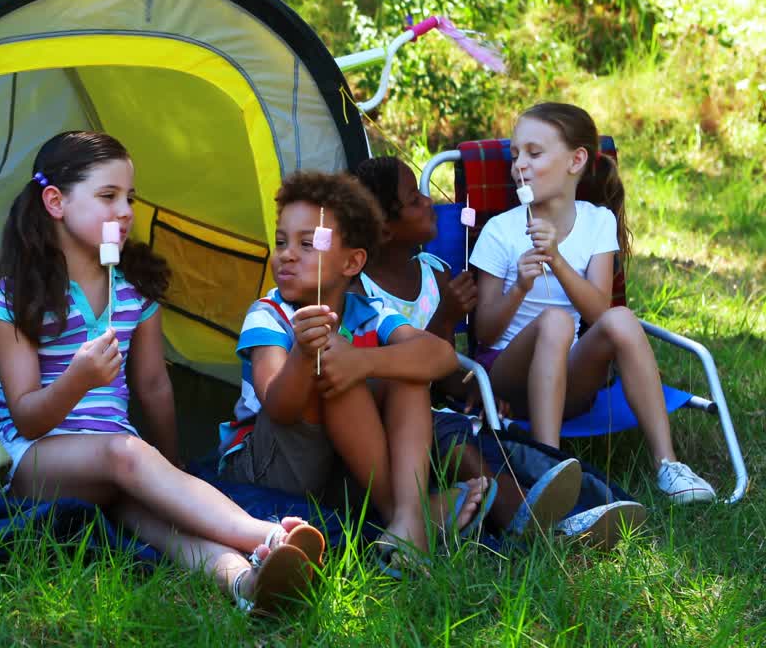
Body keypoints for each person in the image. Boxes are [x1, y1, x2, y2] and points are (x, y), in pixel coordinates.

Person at [0, 131, 323, 614]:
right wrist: (78, 379)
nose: (125, 211)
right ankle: (269, 534)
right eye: (108, 196)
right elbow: (24, 418)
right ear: (55, 201)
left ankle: (248, 583)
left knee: (161, 519)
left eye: (130, 198)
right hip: (34, 461)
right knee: (123, 455)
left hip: (116, 459)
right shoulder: (15, 294)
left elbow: (152, 386)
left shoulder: (133, 291)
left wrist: (171, 470)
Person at [352, 155, 646, 546]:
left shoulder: (434, 271)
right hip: (398, 418)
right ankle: (538, 526)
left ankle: (565, 510)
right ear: (385, 230)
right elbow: (401, 367)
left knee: (498, 449)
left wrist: (473, 387)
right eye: (413, 199)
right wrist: (445, 317)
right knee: (464, 448)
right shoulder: (359, 290)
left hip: (446, 408)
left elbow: (450, 373)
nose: (428, 201)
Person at [216, 170, 466, 568]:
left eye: (306, 244)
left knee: (403, 371)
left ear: (352, 262)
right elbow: (279, 407)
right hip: (267, 466)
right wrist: (303, 352)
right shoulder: (270, 314)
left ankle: (406, 518)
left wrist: (363, 361)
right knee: (335, 366)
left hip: (338, 470)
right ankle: (409, 516)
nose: (287, 254)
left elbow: (441, 356)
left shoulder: (368, 311)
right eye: (281, 241)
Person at [470, 102, 714, 504]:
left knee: (618, 319)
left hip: (570, 382)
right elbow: (484, 332)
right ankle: (546, 465)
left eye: (534, 153)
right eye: (515, 155)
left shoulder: (597, 221)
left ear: (576, 160)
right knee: (555, 321)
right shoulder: (501, 230)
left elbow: (599, 313)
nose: (519, 166)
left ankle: (668, 465)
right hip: (505, 380)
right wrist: (519, 288)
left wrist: (559, 260)